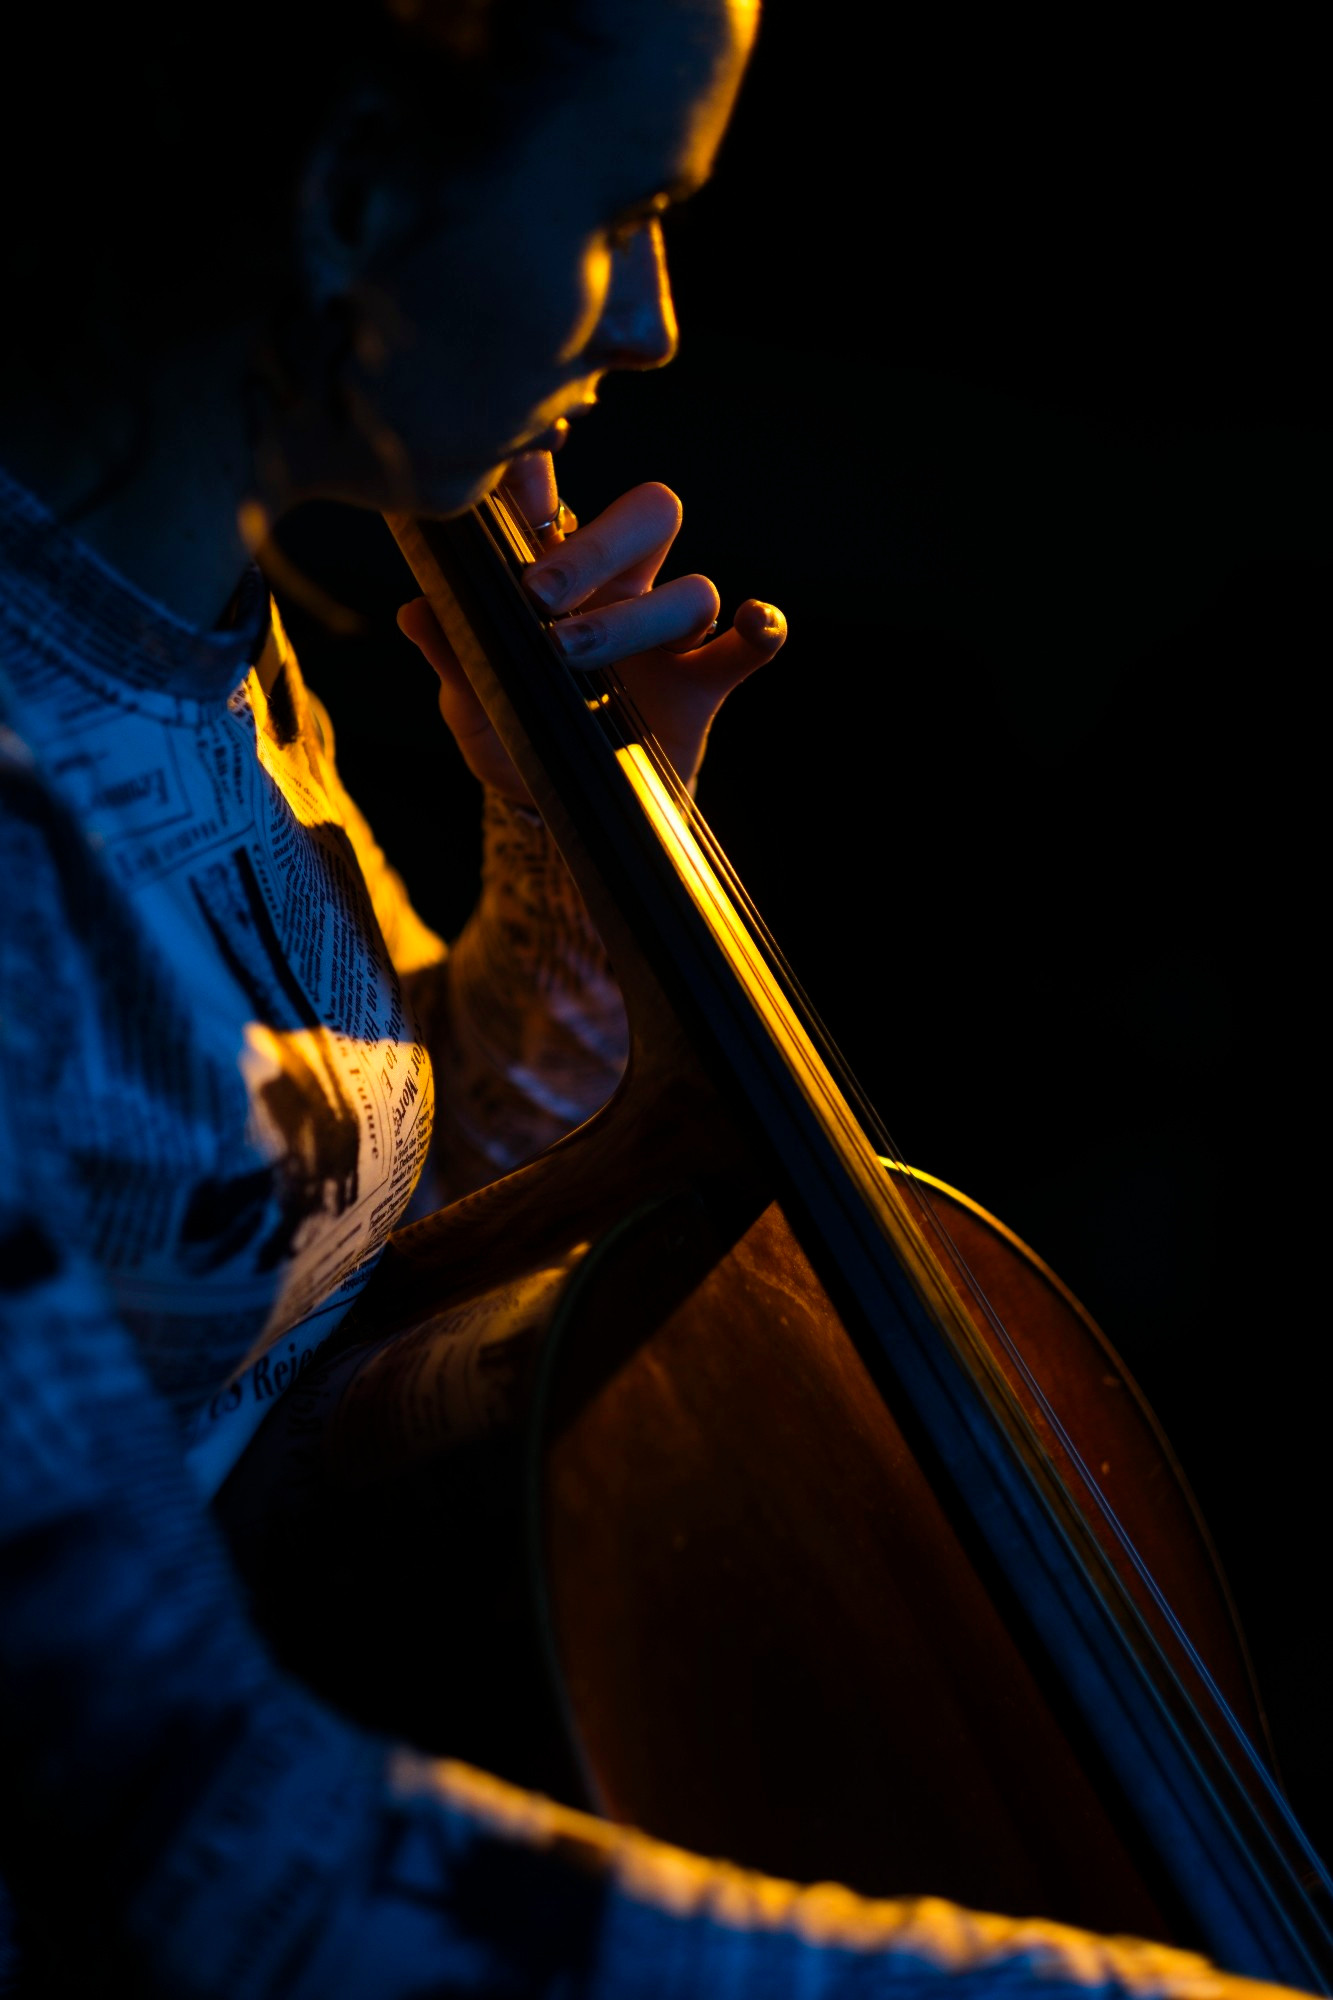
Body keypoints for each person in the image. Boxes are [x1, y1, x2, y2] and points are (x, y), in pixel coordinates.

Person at [0, 2, 1315, 1994]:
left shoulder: (206, 620)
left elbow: (348, 1276)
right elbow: (192, 1843)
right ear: (351, 194)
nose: (653, 322)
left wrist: (559, 860)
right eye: (627, 210)